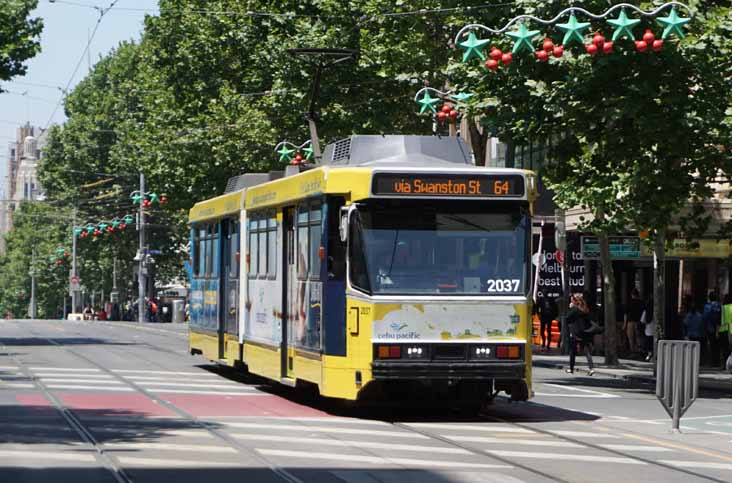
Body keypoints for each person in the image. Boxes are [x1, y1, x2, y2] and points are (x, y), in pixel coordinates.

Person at [566, 293, 595, 376]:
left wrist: (570, 308)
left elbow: (567, 318)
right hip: (584, 332)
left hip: (576, 333)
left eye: (572, 299)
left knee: (572, 351)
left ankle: (571, 369)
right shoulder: (585, 309)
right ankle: (591, 368)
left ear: (575, 301)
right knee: (586, 351)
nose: (571, 301)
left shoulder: (574, 309)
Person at [703, 292, 722, 367]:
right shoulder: (720, 305)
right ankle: (718, 362)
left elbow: (704, 317)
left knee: (711, 345)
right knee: (718, 346)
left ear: (709, 298)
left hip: (710, 328)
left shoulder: (707, 306)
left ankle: (712, 362)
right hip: (719, 328)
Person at [624, 288, 644, 356]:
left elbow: (626, 314)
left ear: (632, 295)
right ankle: (639, 350)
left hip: (630, 322)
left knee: (631, 338)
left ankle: (633, 352)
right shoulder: (641, 302)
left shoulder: (629, 302)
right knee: (638, 336)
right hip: (638, 321)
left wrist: (624, 324)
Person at [721, 294, 732, 371]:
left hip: (725, 330)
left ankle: (725, 366)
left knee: (725, 349)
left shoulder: (724, 308)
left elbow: (721, 320)